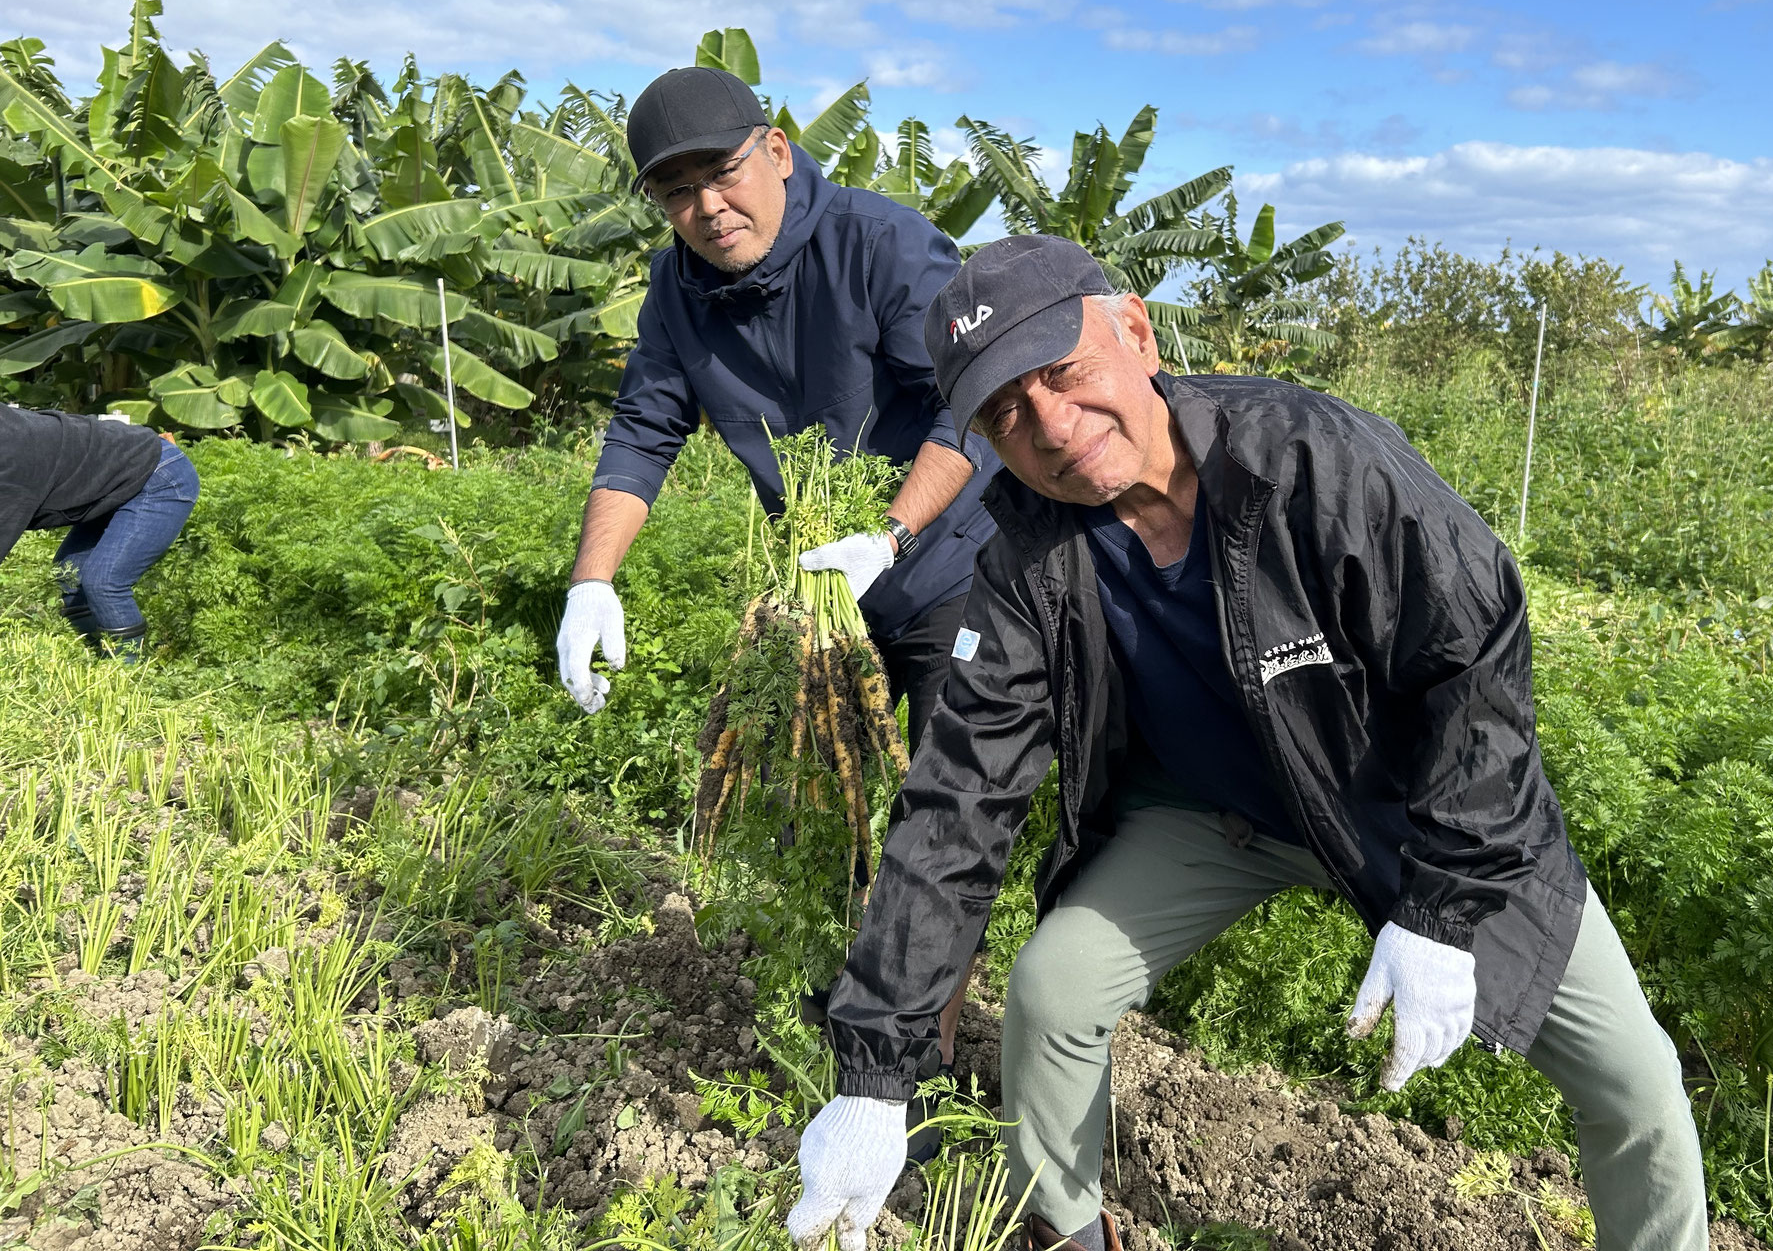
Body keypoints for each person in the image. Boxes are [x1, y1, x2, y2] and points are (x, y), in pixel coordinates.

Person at [785, 236, 1710, 1251]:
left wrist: (1443, 903)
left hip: (1404, 811)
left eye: (1062, 371)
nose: (1049, 425)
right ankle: (1061, 1231)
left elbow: (1471, 663)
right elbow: (956, 798)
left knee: (1634, 1086)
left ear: (1133, 331)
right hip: (1209, 817)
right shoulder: (1028, 557)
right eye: (1004, 412)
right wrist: (873, 1078)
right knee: (1052, 992)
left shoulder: (1312, 460)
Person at [551, 63, 999, 1066]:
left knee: (941, 819)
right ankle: (835, 979)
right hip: (817, 591)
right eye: (675, 192)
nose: (707, 208)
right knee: (818, 795)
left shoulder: (878, 245)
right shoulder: (676, 288)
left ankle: (907, 1055)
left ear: (777, 153)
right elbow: (642, 430)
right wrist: (591, 581)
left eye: (722, 174)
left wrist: (888, 537)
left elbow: (964, 406)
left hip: (946, 570)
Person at [0, 407, 201, 659]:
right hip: (113, 480)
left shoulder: (10, 467)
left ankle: (124, 677)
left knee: (103, 582)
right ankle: (93, 657)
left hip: (160, 477)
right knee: (69, 574)